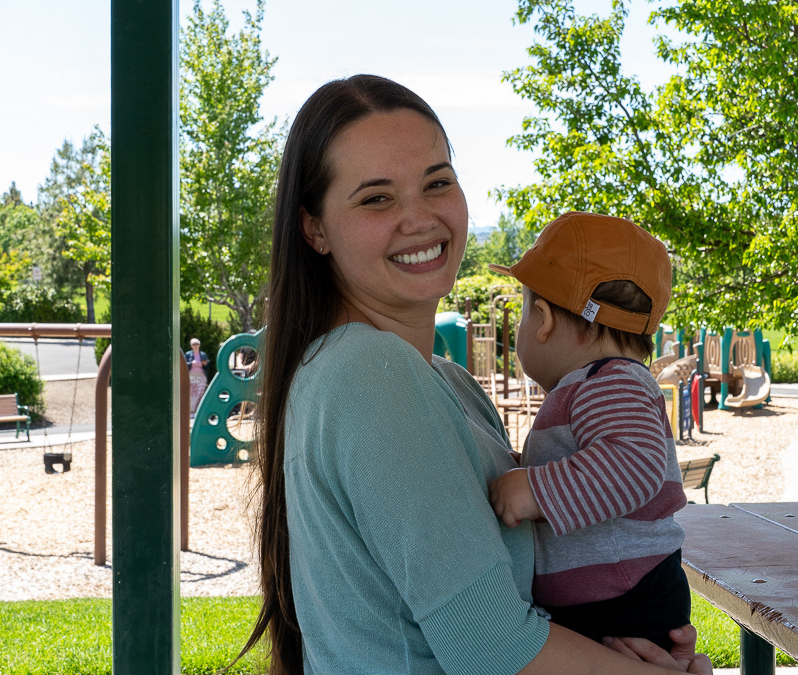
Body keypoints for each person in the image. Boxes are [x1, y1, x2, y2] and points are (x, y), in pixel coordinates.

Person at [243, 74, 710, 675]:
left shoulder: (445, 381)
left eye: (437, 183)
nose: (419, 218)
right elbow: (489, 644)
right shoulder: (370, 373)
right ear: (315, 229)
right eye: (376, 198)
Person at [487, 212, 690, 652]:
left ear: (542, 319)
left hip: (626, 600)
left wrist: (536, 490)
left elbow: (634, 465)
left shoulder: (609, 380)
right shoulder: (601, 382)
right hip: (613, 597)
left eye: (523, 311)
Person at [185, 338, 209, 415]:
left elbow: (207, 366)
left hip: (201, 376)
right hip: (191, 376)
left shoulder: (203, 354)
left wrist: (205, 363)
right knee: (192, 393)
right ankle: (191, 411)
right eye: (194, 344)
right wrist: (191, 363)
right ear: (191, 346)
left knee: (200, 392)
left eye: (197, 344)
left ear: (199, 345)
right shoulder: (188, 354)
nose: (195, 346)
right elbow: (185, 364)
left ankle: (199, 411)